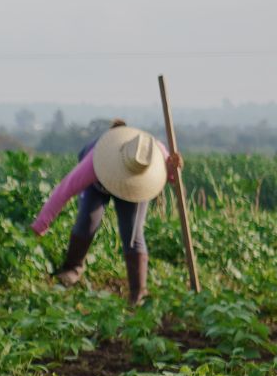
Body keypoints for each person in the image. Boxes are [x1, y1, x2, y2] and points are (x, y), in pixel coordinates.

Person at [30, 120, 182, 306]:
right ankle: (72, 269)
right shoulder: (95, 161)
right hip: (97, 185)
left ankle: (138, 292)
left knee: (132, 233)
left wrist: (174, 170)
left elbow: (172, 179)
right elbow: (64, 190)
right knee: (88, 220)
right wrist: (40, 226)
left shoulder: (155, 155)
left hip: (134, 188)